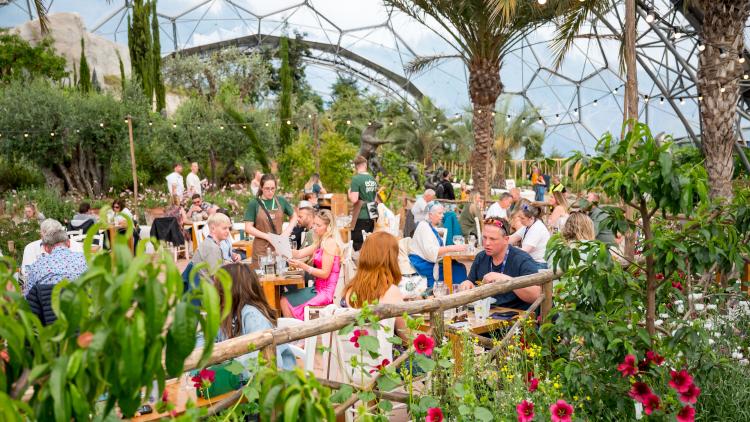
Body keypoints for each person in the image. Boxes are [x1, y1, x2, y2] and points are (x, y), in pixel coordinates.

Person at [215, 263, 296, 370]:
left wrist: (229, 371)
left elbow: (267, 361)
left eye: (218, 287)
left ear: (231, 290)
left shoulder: (253, 316)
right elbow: (206, 339)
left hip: (277, 380)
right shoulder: (226, 314)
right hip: (248, 377)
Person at [456, 218, 540, 310]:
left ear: (506, 240)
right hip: (487, 313)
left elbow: (536, 295)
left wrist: (508, 280)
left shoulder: (522, 260)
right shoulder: (481, 257)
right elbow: (471, 281)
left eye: (492, 239)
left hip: (517, 318)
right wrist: (467, 283)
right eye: (484, 238)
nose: (487, 243)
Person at [343, 231, 407, 340]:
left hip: (355, 353)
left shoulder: (350, 289)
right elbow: (406, 337)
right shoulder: (391, 291)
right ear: (391, 258)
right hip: (384, 354)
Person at [25, 219, 88, 325]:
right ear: (68, 243)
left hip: (50, 324)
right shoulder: (85, 259)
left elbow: (29, 300)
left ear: (46, 248)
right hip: (82, 320)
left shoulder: (36, 266)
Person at [282, 210, 343, 320]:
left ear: (328, 227)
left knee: (285, 301)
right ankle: (297, 333)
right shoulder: (321, 241)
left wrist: (302, 266)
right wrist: (281, 248)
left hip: (325, 294)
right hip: (317, 289)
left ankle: (297, 334)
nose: (314, 227)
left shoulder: (330, 243)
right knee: (284, 299)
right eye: (314, 223)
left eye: (318, 225)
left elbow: (325, 274)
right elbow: (299, 253)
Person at [408, 201, 467, 287]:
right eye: (440, 213)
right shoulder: (424, 227)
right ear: (430, 214)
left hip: (427, 261)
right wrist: (453, 248)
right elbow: (431, 252)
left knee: (458, 266)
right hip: (422, 265)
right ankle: (455, 294)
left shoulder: (429, 226)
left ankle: (456, 292)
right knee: (458, 269)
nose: (442, 216)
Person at [244, 174, 298, 264]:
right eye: (267, 188)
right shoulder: (254, 203)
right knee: (260, 276)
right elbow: (248, 227)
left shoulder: (281, 201)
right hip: (261, 248)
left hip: (278, 246)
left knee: (280, 274)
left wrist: (286, 232)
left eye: (273, 188)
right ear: (261, 187)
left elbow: (294, 216)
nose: (270, 191)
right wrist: (267, 237)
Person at [348, 156, 378, 251]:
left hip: (361, 215)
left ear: (356, 166)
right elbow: (375, 197)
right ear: (365, 165)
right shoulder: (373, 179)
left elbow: (354, 199)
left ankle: (359, 264)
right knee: (370, 242)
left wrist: (349, 192)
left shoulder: (356, 179)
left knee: (358, 244)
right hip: (373, 213)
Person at [508, 204, 551, 268]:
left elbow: (524, 252)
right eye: (519, 217)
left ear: (531, 218)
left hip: (538, 264)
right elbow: (512, 238)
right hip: (531, 261)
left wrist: (508, 250)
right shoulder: (528, 225)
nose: (520, 220)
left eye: (522, 218)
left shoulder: (537, 228)